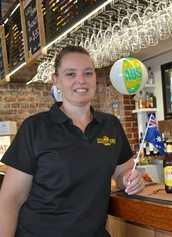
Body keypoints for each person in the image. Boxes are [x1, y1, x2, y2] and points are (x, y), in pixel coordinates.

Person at [0, 45, 144, 237]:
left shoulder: (111, 125)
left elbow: (123, 173)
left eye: (88, 73)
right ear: (56, 80)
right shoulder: (34, 128)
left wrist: (132, 180)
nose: (81, 80)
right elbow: (10, 200)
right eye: (70, 74)